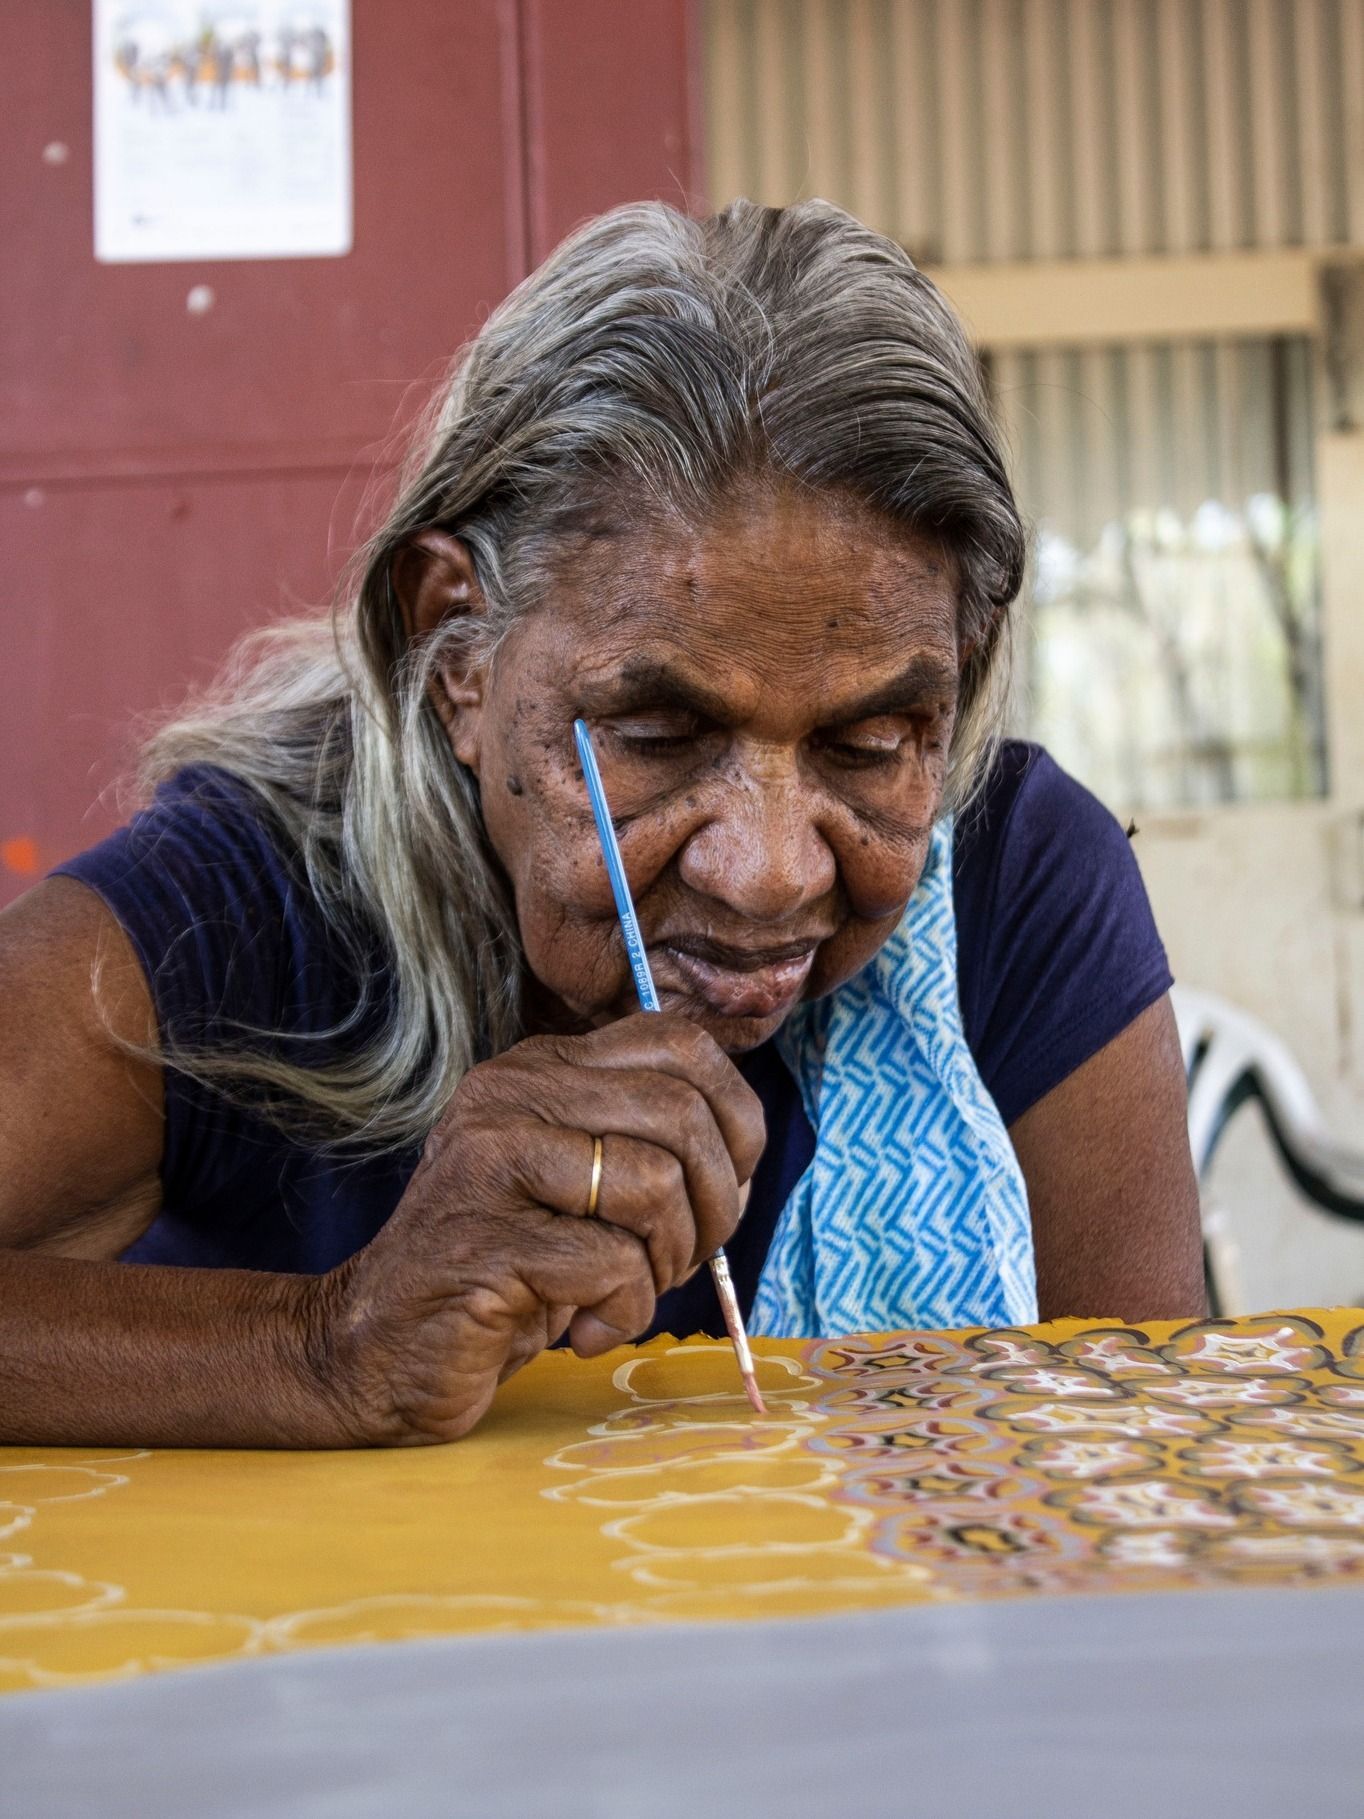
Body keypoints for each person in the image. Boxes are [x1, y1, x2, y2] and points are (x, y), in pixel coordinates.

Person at [0, 200, 1205, 1451]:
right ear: (455, 647)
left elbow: (1140, 1474)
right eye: (656, 736)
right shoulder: (246, 911)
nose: (767, 871)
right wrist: (327, 1344)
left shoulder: (1013, 888)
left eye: (867, 745)